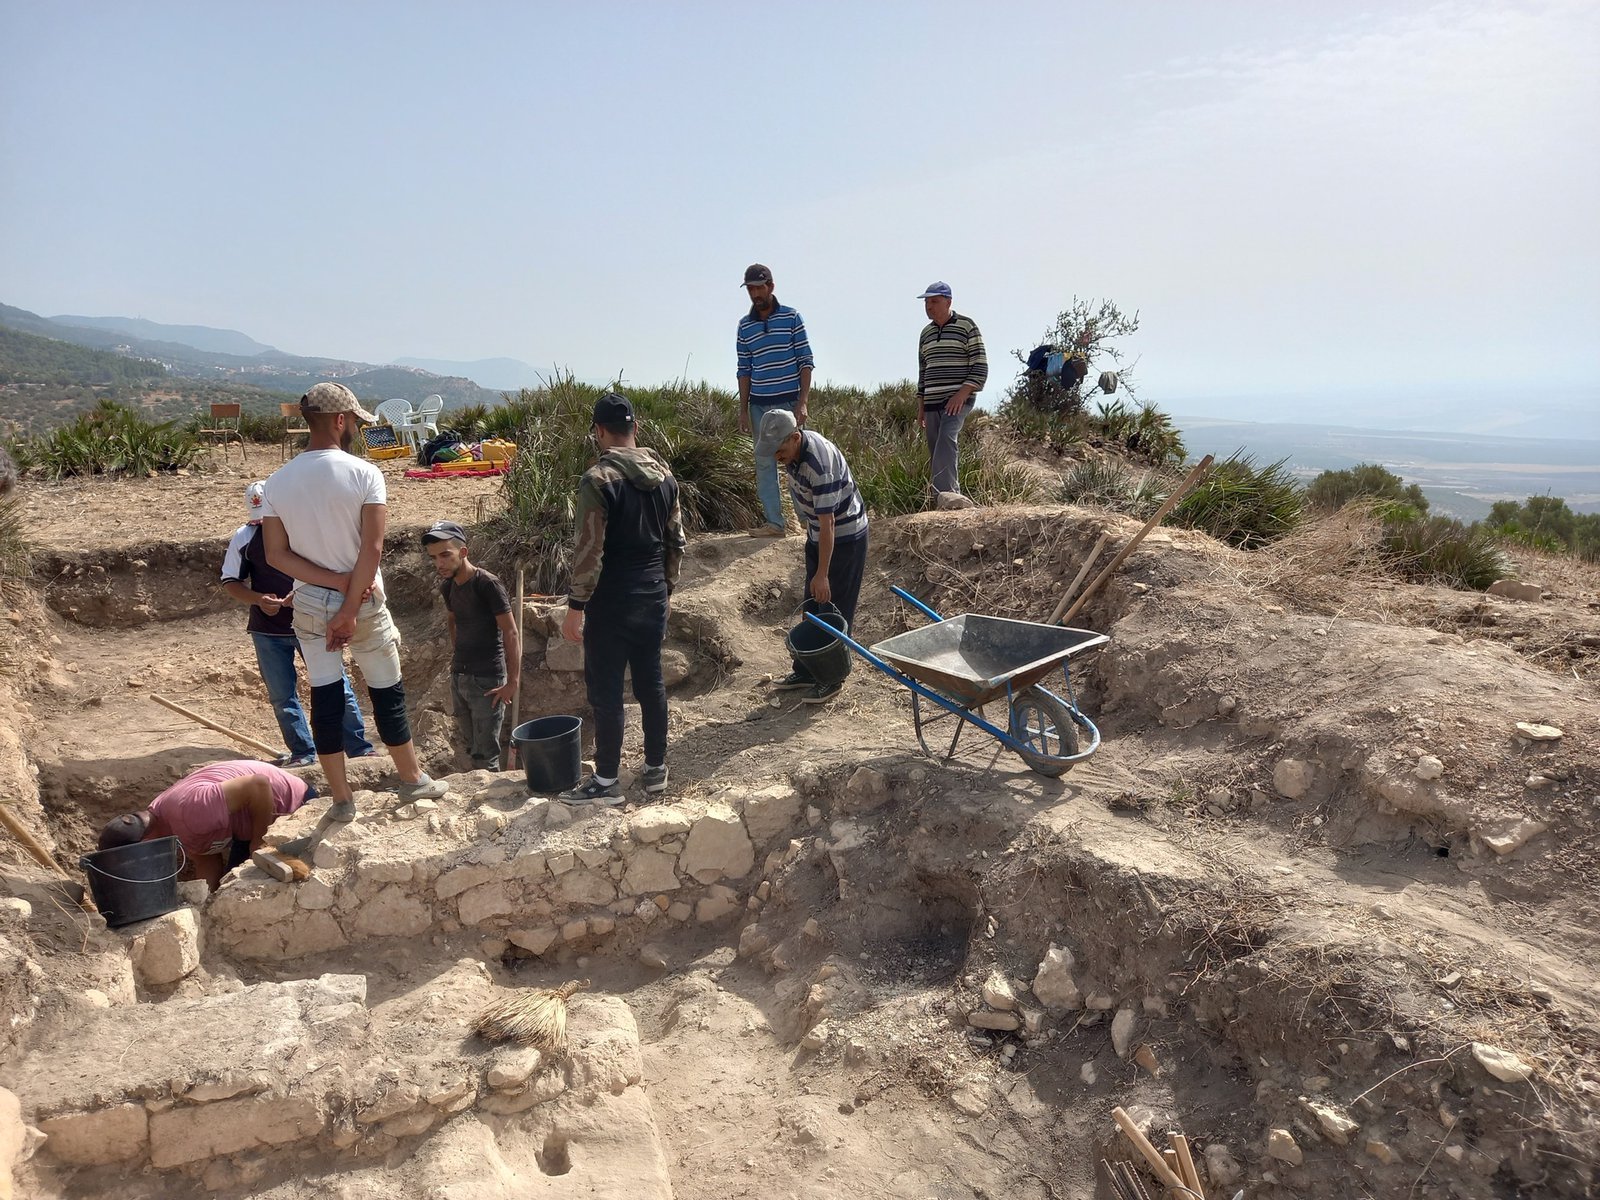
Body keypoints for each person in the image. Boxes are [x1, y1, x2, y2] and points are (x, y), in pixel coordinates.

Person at [262, 382, 448, 825]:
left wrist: (330, 583)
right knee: (387, 693)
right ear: (341, 420)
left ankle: (342, 800)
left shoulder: (277, 482)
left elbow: (276, 555)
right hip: (362, 602)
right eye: (355, 423)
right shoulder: (365, 474)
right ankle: (412, 779)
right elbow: (373, 548)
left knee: (325, 698)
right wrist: (347, 605)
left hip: (309, 604)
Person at [559, 392, 686, 805]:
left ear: (599, 431)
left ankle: (607, 781)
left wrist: (576, 606)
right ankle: (655, 770)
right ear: (635, 428)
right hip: (652, 595)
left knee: (607, 690)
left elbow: (589, 550)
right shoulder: (666, 477)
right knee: (651, 683)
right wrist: (667, 589)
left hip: (612, 600)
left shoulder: (598, 480)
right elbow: (676, 541)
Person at [222, 481, 374, 768]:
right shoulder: (244, 537)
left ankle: (358, 748)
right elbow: (231, 581)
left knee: (336, 684)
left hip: (313, 622)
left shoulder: (306, 533)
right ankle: (303, 752)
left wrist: (304, 592)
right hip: (267, 631)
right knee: (282, 696)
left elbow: (331, 571)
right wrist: (257, 599)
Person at [756, 409, 869, 705]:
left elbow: (829, 522)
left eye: (779, 451)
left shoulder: (819, 464)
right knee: (811, 603)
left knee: (833, 607)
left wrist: (822, 573)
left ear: (795, 438)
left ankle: (833, 678)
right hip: (819, 534)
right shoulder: (793, 454)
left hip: (844, 537)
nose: (777, 458)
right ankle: (806, 671)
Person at [98, 760, 314, 892]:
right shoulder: (166, 822)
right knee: (229, 889)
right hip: (245, 828)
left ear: (145, 841)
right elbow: (206, 859)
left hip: (292, 806)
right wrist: (203, 902)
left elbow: (258, 785)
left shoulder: (189, 810)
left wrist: (260, 840)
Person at [422, 519, 520, 771]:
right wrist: (458, 661)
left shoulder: (487, 584)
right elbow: (453, 620)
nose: (439, 563)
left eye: (445, 555)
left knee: (486, 754)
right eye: (434, 558)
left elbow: (511, 632)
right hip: (461, 677)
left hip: (488, 680)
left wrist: (512, 683)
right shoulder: (448, 586)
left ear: (463, 552)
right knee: (470, 746)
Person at [736, 263, 814, 538]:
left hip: (788, 403)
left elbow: (806, 362)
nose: (755, 293)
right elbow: (744, 369)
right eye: (751, 289)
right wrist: (743, 409)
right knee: (764, 461)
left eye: (759, 287)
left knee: (797, 460)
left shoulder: (792, 317)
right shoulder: (744, 326)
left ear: (771, 286)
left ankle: (808, 522)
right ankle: (774, 523)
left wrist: (802, 401)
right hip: (759, 404)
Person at [915, 281, 988, 498]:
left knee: (947, 439)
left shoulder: (967, 326)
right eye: (927, 302)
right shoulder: (925, 334)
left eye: (934, 301)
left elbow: (980, 366)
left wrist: (961, 394)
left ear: (948, 301)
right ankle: (945, 496)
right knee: (935, 446)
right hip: (931, 401)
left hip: (958, 398)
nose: (929, 306)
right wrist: (920, 406)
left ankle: (946, 495)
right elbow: (923, 372)